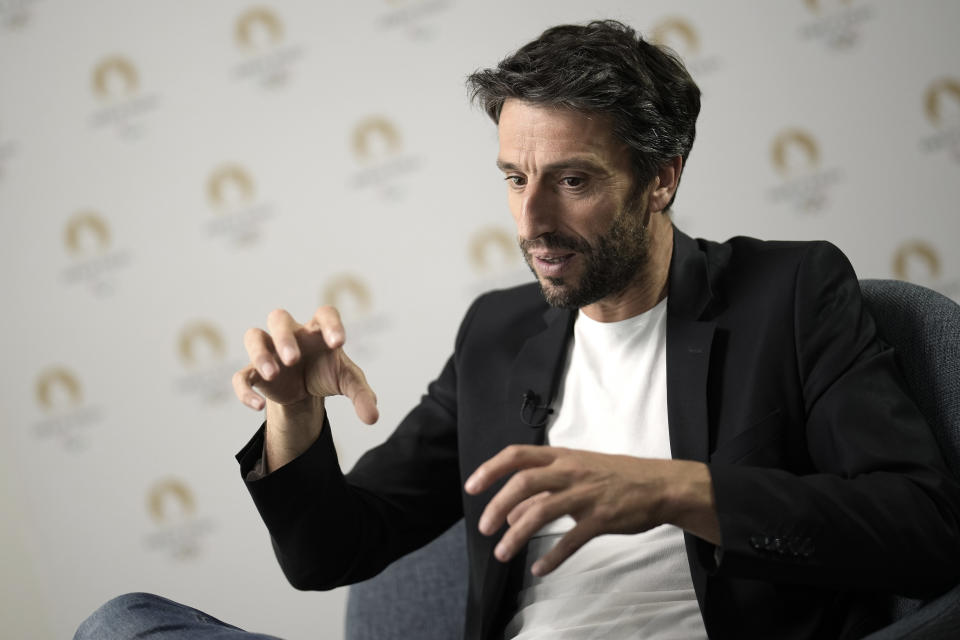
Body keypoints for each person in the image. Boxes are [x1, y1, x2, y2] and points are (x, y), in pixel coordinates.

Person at [76, 19, 960, 640]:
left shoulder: (791, 292)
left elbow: (922, 530)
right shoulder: (497, 334)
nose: (531, 218)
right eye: (511, 178)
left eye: (571, 180)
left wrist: (674, 491)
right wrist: (294, 421)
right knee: (124, 624)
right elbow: (332, 550)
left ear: (662, 176)